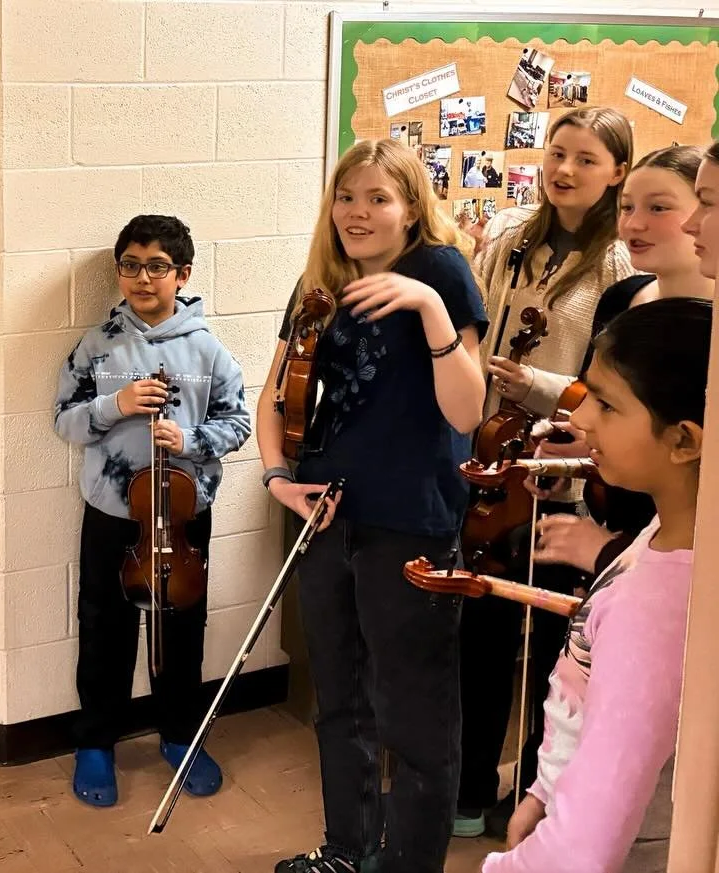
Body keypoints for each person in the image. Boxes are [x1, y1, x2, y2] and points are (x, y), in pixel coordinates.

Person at [260, 138, 488, 873]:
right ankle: (347, 850)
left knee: (414, 713)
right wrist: (276, 478)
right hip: (328, 515)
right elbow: (275, 396)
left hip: (411, 517)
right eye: (347, 196)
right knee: (340, 695)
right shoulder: (318, 283)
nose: (358, 212)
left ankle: (408, 864)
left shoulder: (440, 272)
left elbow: (465, 412)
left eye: (378, 198)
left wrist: (427, 307)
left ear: (412, 207)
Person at [483, 296, 710, 872]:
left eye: (606, 405)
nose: (581, 421)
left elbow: (584, 849)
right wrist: (543, 791)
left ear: (685, 441)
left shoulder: (659, 607)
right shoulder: (674, 526)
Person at [457, 107, 635, 838]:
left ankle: (535, 793)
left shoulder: (621, 265)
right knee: (484, 629)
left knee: (554, 647)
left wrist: (529, 381)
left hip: (562, 473)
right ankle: (468, 788)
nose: (563, 170)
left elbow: (608, 386)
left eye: (585, 159)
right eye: (556, 153)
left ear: (616, 172)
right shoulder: (508, 242)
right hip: (492, 466)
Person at [53, 214, 252, 808]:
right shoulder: (98, 344)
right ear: (119, 272)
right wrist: (115, 404)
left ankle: (179, 734)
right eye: (130, 265)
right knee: (105, 625)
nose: (143, 278)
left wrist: (189, 442)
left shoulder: (209, 349)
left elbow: (240, 422)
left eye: (157, 266)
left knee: (182, 626)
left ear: (182, 274)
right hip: (114, 513)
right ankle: (96, 741)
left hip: (186, 512)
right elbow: (64, 418)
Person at [527, 145, 712, 579]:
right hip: (616, 529)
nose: (634, 223)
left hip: (668, 553)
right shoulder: (621, 298)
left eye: (659, 207)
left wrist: (612, 550)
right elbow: (602, 408)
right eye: (626, 207)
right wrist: (576, 453)